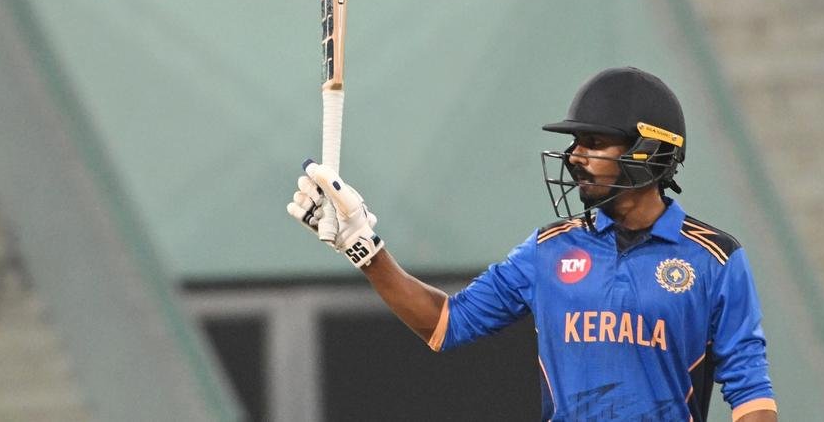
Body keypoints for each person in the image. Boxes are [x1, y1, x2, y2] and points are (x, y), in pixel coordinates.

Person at [288, 66, 777, 421]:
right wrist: (365, 249)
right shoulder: (549, 250)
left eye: (594, 143)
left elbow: (751, 393)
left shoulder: (714, 259)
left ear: (648, 152)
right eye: (575, 143)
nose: (575, 156)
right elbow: (446, 324)